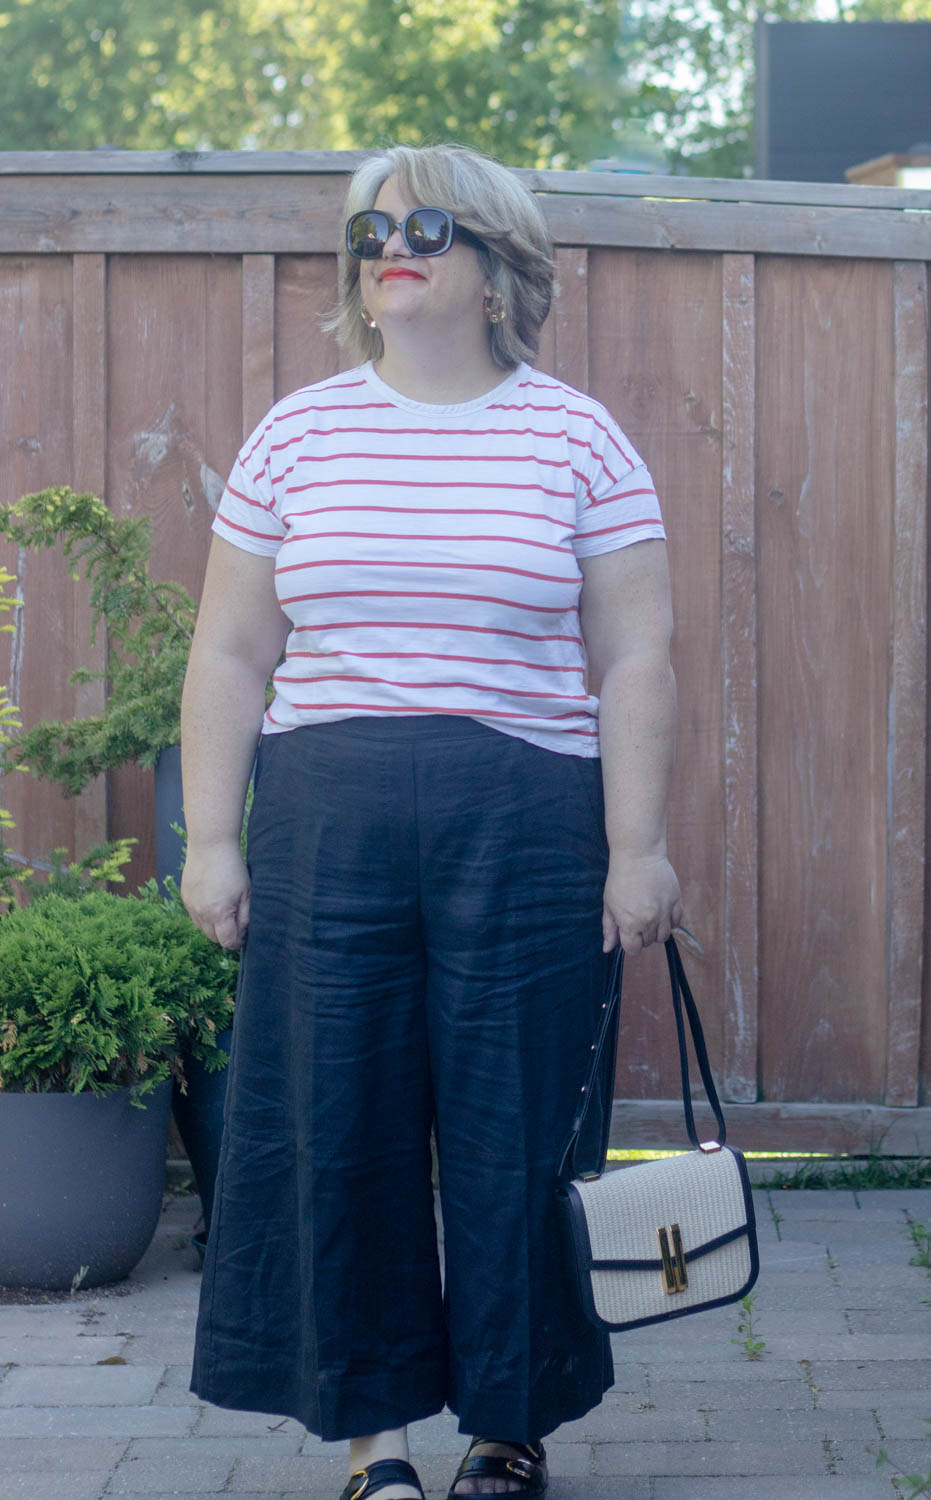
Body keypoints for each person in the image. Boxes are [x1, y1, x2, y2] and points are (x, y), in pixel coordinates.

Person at [182, 143, 682, 1500]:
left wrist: (636, 849)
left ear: (498, 264)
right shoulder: (299, 433)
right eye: (371, 230)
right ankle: (375, 1444)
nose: (392, 246)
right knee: (337, 1124)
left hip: (525, 826)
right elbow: (230, 650)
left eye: (426, 225)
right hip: (325, 822)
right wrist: (210, 838)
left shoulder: (580, 438)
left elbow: (635, 654)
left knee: (519, 1134)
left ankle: (508, 1430)